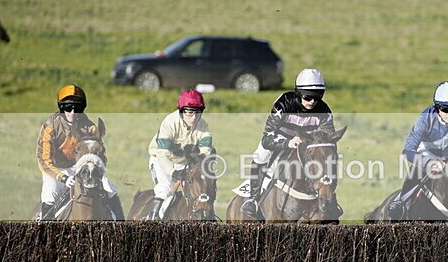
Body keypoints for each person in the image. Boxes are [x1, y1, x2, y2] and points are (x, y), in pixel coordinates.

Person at [240, 68, 341, 219]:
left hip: (306, 143)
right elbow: (267, 137)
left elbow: (327, 141)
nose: (312, 101)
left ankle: (330, 200)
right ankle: (253, 199)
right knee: (261, 155)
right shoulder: (284, 103)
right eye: (307, 97)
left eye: (317, 97)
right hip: (279, 140)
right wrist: (288, 143)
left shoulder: (324, 111)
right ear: (299, 93)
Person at [386, 81, 448, 220]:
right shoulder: (425, 119)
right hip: (426, 155)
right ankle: (401, 203)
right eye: (445, 109)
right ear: (437, 107)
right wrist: (429, 163)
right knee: (414, 176)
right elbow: (408, 150)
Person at [37, 84, 125, 220]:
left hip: (79, 168)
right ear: (62, 108)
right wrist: (63, 178)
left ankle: (122, 226)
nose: (72, 112)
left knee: (110, 189)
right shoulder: (50, 126)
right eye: (68, 108)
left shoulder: (89, 126)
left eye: (76, 108)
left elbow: (100, 154)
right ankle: (43, 232)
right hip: (55, 169)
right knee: (50, 194)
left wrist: (98, 169)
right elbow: (44, 161)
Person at [146, 89, 215, 220]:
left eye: (197, 113)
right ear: (181, 111)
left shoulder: (203, 127)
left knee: (200, 189)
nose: (194, 118)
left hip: (183, 162)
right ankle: (151, 223)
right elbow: (162, 154)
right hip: (161, 160)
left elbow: (204, 155)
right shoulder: (169, 123)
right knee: (164, 190)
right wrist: (173, 172)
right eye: (189, 113)